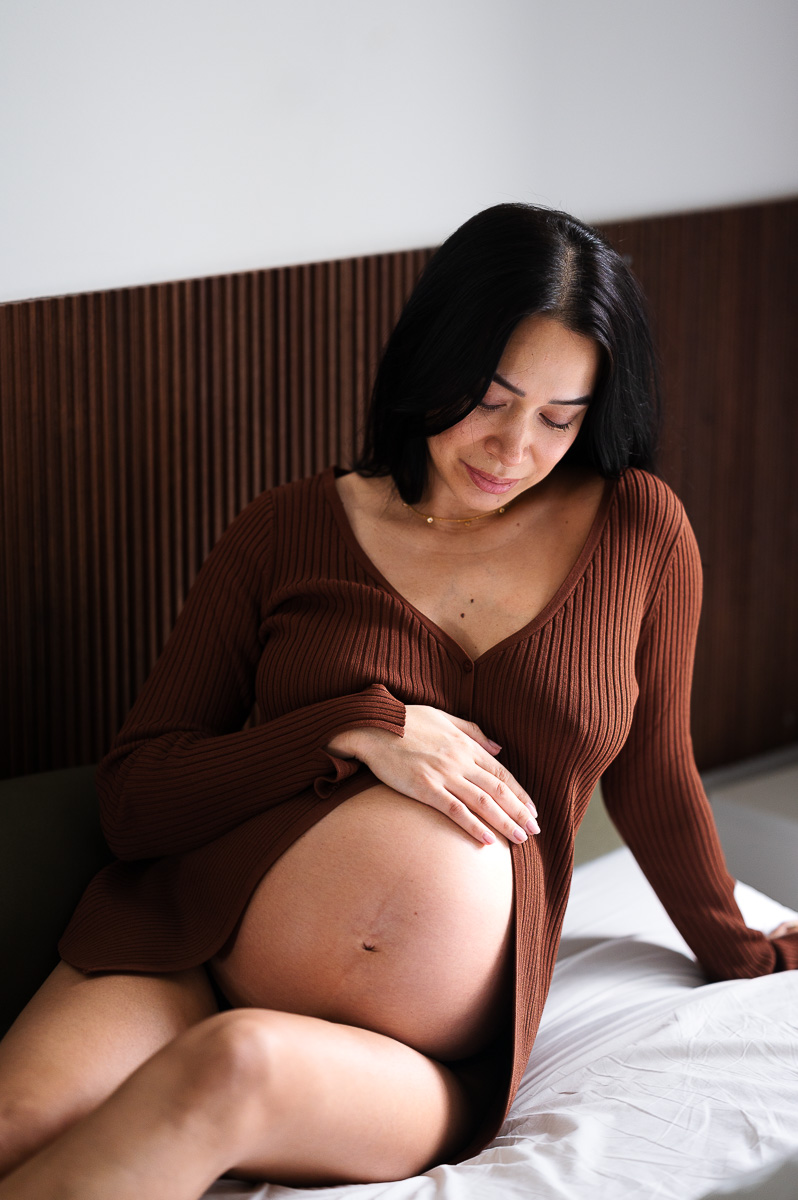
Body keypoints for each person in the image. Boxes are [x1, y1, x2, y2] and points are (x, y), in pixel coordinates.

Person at [0, 203, 796, 1200]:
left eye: (560, 418)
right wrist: (357, 728)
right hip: (186, 946)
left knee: (236, 1066)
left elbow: (656, 773)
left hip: (420, 1059)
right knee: (14, 1123)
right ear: (433, 360)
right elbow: (134, 799)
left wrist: (747, 949)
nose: (513, 448)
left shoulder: (640, 529)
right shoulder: (286, 529)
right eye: (490, 399)